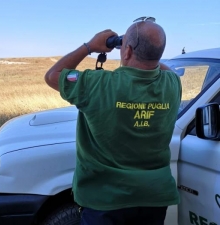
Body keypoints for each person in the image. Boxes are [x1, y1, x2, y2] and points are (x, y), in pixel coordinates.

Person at [45, 17, 181, 225]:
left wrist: (89, 46)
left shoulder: (96, 84)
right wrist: (142, 49)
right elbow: (158, 65)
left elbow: (52, 75)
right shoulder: (172, 85)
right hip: (154, 196)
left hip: (105, 199)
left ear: (126, 51)